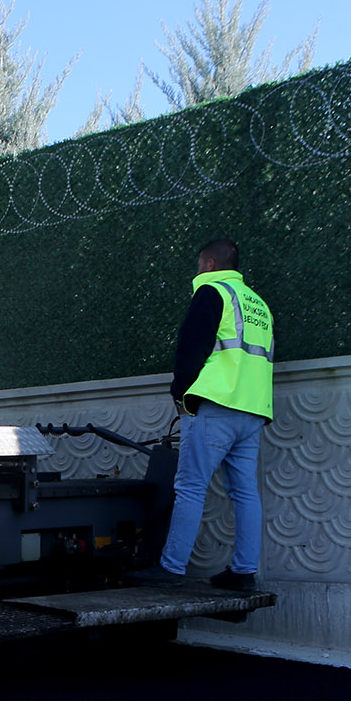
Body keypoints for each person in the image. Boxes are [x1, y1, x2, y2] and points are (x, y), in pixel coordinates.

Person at [129, 238, 275, 591]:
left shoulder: (213, 293)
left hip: (215, 405)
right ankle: (243, 573)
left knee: (191, 487)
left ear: (209, 263)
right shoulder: (259, 305)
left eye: (199, 265)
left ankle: (172, 567)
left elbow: (191, 346)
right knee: (244, 493)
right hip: (253, 409)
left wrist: (179, 393)